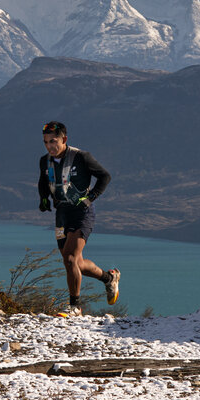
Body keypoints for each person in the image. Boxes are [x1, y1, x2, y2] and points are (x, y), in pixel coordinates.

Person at [38, 120, 120, 317]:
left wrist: (90, 198)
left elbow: (105, 177)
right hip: (62, 214)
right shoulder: (44, 161)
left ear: (64, 139)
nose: (50, 146)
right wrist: (43, 198)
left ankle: (75, 307)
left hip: (82, 213)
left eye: (54, 141)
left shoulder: (81, 157)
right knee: (74, 263)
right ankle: (109, 278)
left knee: (70, 258)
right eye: (46, 142)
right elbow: (42, 181)